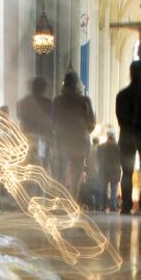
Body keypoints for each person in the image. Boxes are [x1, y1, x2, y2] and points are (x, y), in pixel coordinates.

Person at [116, 60, 141, 215]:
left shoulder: (122, 95)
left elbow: (120, 119)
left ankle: (126, 206)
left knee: (126, 173)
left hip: (126, 137)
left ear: (130, 73)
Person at [52, 71, 95, 199]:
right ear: (78, 84)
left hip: (62, 141)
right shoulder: (85, 101)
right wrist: (83, 131)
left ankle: (58, 202)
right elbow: (92, 122)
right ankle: (72, 203)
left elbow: (53, 121)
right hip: (79, 143)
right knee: (76, 177)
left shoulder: (58, 100)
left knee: (59, 175)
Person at [17, 77, 52, 169]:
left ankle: (27, 182)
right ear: (43, 88)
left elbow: (20, 117)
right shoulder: (48, 103)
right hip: (41, 139)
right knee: (41, 165)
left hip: (26, 137)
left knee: (25, 164)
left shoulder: (22, 103)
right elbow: (50, 122)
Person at [97, 131, 121, 212]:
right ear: (113, 136)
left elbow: (98, 158)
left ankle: (102, 206)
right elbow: (121, 158)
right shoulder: (117, 146)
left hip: (104, 170)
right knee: (114, 190)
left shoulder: (101, 146)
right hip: (115, 170)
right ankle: (113, 207)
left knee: (103, 189)